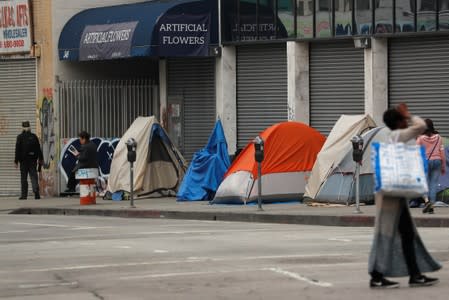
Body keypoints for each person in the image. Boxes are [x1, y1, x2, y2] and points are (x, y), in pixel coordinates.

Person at [368, 104, 441, 289]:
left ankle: (415, 274)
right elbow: (421, 126)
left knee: (407, 234)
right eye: (402, 119)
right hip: (390, 196)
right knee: (385, 236)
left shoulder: (391, 137)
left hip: (394, 194)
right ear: (399, 122)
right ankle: (377, 276)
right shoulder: (397, 136)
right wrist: (409, 116)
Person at [416, 119, 445, 211]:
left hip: (425, 162)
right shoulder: (438, 137)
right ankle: (431, 204)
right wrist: (443, 165)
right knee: (433, 184)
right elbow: (442, 152)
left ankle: (426, 201)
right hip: (437, 161)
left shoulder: (420, 138)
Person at [14, 121, 43, 200]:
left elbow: (17, 149)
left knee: (24, 178)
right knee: (33, 176)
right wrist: (41, 158)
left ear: (22, 128)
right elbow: (38, 148)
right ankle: (36, 192)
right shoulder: (34, 136)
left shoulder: (20, 137)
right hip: (33, 160)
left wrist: (16, 161)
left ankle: (24, 195)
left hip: (23, 161)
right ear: (30, 127)